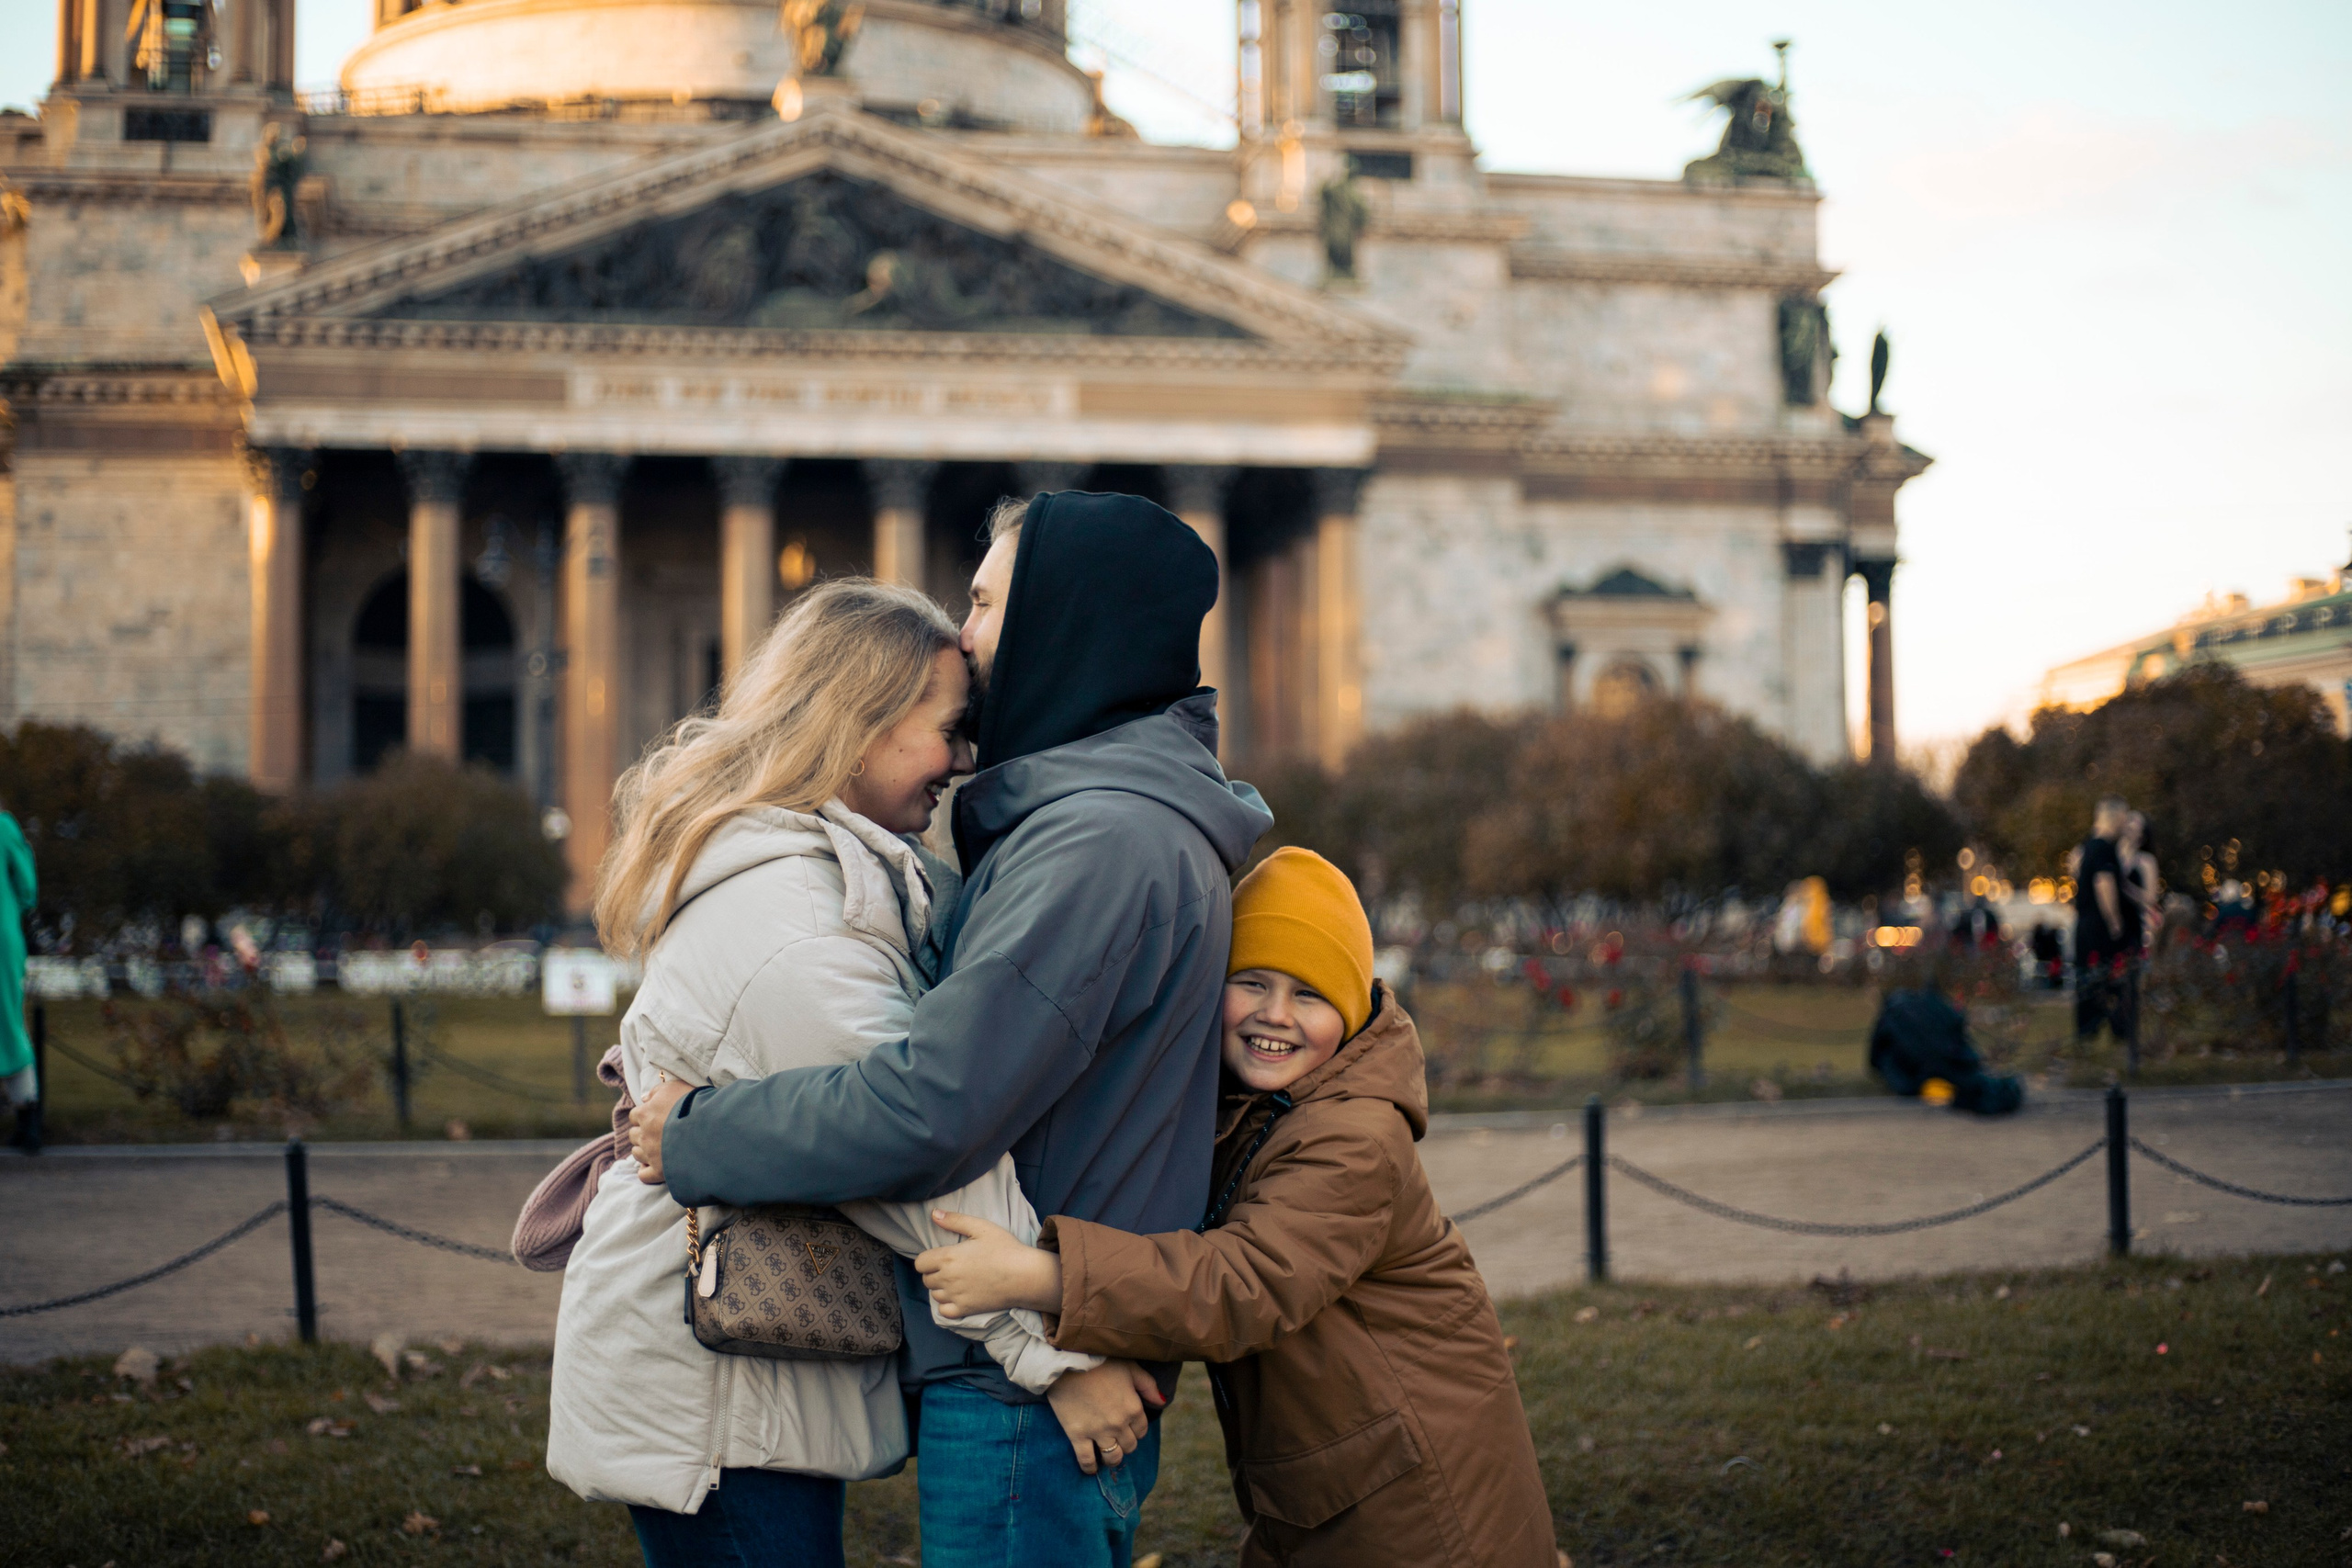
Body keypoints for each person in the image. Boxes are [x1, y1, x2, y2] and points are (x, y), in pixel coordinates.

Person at [629, 491, 1274, 1566]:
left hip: (1031, 1366)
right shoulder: (1094, 824)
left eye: (981, 603)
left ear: (1067, 618)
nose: (964, 642)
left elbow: (930, 1107)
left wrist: (692, 1133)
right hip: (1030, 1341)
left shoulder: (1096, 844)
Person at [544, 580, 1109, 1567]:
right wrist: (1055, 1356)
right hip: (712, 1406)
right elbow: (909, 1144)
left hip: (729, 1372)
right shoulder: (791, 918)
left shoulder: (815, 876)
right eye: (949, 727)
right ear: (858, 727)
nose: (966, 758)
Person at [913, 848, 1558, 1567]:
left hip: (1420, 1501)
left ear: (1348, 1009)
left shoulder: (1356, 1135)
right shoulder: (1265, 1103)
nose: (1274, 1015)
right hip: (1346, 1478)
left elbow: (1244, 1281)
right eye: (1252, 982)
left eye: (1308, 994)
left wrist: (1041, 1276)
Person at [2069, 796, 2133, 1045]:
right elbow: (2103, 882)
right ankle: (2117, 1031)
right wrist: (2114, 919)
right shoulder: (2104, 848)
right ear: (2115, 817)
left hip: (2085, 924)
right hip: (2099, 927)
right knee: (2110, 978)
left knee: (2087, 980)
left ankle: (2087, 1032)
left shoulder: (2087, 847)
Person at [0, 803, 35, 1152]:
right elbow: (27, 887)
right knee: (9, 1023)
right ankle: (27, 1113)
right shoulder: (4, 827)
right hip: (1, 938)